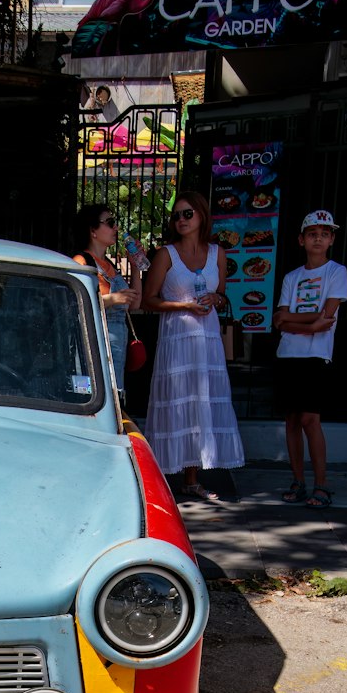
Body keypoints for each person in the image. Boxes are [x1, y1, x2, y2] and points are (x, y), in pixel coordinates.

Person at [142, 190, 244, 501]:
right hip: (177, 338)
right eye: (177, 215)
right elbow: (149, 300)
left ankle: (192, 478)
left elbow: (222, 295)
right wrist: (183, 306)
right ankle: (161, 480)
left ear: (201, 215)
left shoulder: (218, 254)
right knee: (176, 401)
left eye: (188, 213)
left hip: (207, 339)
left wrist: (216, 298)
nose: (182, 220)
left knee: (201, 403)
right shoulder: (166, 254)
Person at [274, 209, 347, 509]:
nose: (318, 238)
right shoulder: (292, 277)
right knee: (291, 420)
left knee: (310, 419)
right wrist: (309, 324)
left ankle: (321, 483)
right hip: (288, 354)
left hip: (316, 355)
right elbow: (279, 320)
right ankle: (298, 481)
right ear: (301, 240)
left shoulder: (336, 272)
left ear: (331, 239)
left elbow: (326, 317)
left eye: (325, 233)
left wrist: (296, 320)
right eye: (312, 233)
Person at [72, 202, 141, 388]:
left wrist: (135, 267)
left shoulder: (109, 264)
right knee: (94, 392)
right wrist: (113, 299)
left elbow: (135, 304)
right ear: (93, 230)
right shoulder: (82, 262)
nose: (115, 227)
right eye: (110, 223)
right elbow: (76, 304)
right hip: (95, 342)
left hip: (117, 343)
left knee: (115, 393)